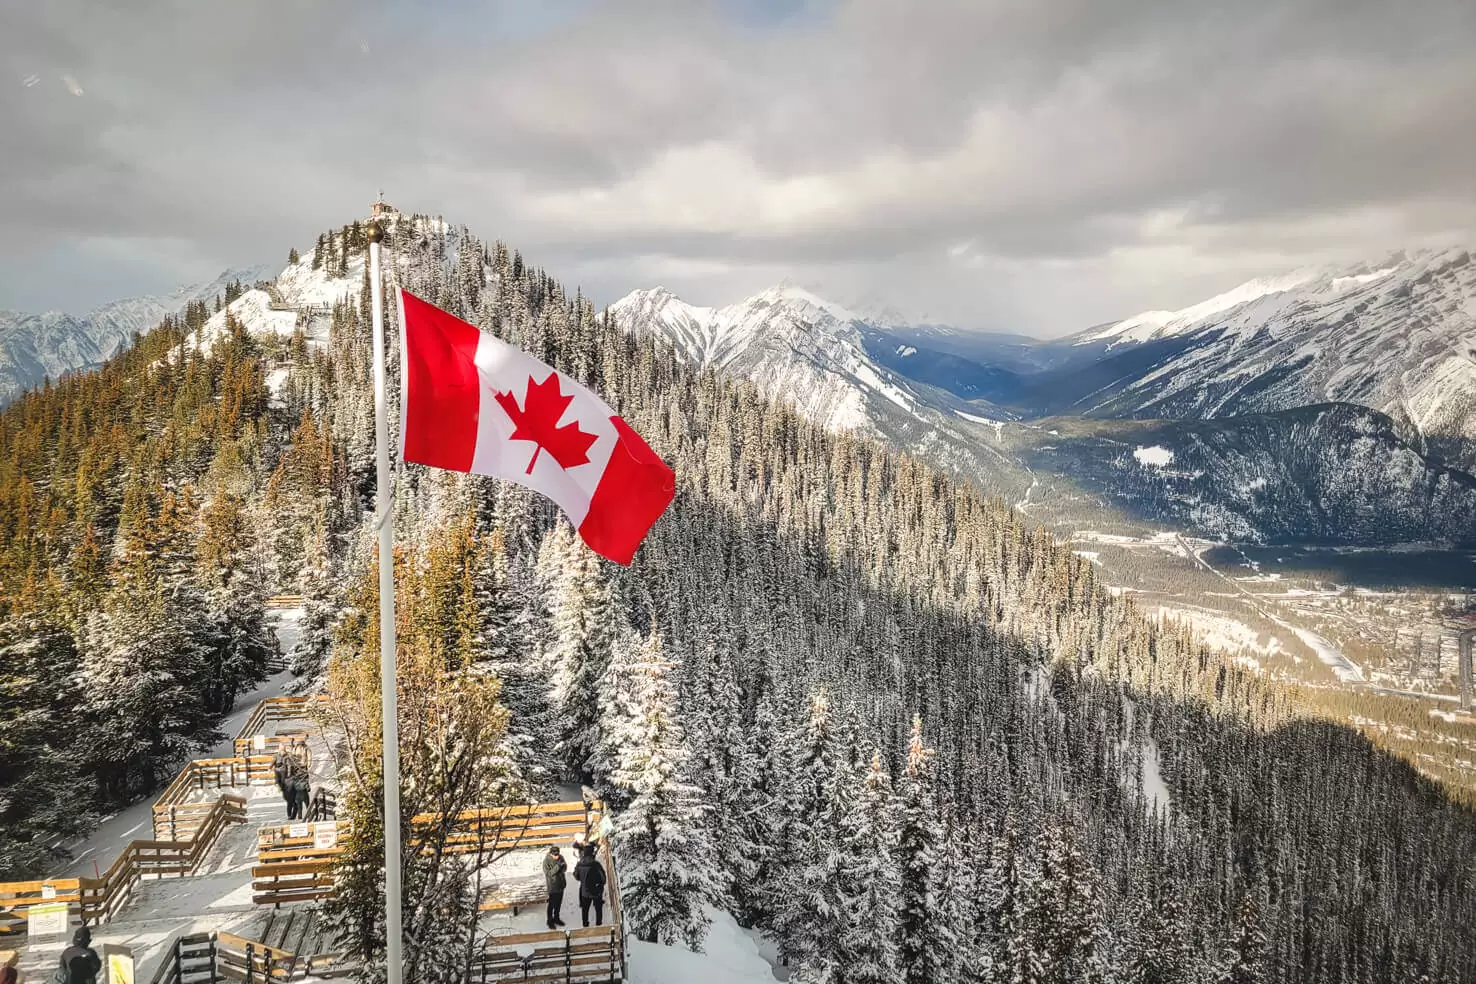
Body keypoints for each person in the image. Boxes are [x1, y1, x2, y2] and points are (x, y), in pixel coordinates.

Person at [573, 844, 607, 928]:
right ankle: (598, 925)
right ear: (592, 853)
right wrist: (600, 884)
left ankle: (585, 925)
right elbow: (603, 878)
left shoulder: (579, 864)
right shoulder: (596, 864)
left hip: (585, 891)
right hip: (596, 891)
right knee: (598, 909)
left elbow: (576, 876)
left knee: (585, 910)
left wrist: (583, 880)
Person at [542, 846, 567, 929]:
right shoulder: (546, 861)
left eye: (558, 854)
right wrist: (558, 867)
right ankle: (549, 920)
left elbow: (565, 867)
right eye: (555, 855)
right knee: (552, 904)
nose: (557, 856)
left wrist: (563, 867)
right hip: (553, 886)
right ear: (551, 853)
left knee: (558, 904)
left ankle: (556, 918)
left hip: (561, 884)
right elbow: (548, 873)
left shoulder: (561, 857)